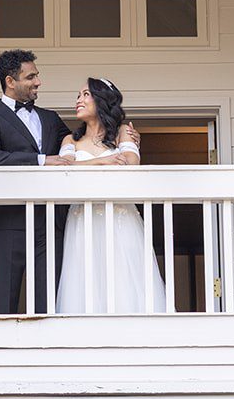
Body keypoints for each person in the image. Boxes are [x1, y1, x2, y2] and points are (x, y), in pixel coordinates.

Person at [0, 49, 75, 313]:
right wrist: (42, 160)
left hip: (51, 223)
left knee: (49, 303)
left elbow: (75, 139)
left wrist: (121, 137)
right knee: (2, 303)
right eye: (31, 77)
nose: (38, 82)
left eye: (37, 76)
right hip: (8, 222)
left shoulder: (50, 118)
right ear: (10, 81)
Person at [55, 77, 166, 314]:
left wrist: (86, 165)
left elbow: (130, 163)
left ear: (102, 100)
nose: (79, 100)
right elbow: (64, 169)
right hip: (82, 220)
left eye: (86, 94)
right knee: (85, 275)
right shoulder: (70, 140)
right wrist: (103, 160)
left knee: (123, 273)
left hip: (120, 218)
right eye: (78, 95)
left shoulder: (123, 132)